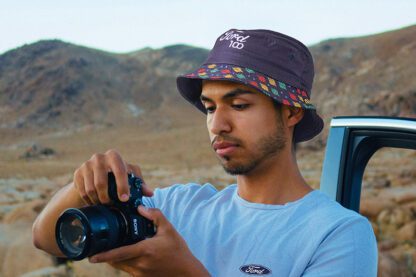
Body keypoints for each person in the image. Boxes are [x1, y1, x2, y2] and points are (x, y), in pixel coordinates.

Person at [32, 29, 378, 276]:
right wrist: (84, 185)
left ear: (291, 112)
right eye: (209, 107)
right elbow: (46, 238)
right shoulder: (178, 207)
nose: (217, 124)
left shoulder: (338, 234)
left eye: (239, 104)